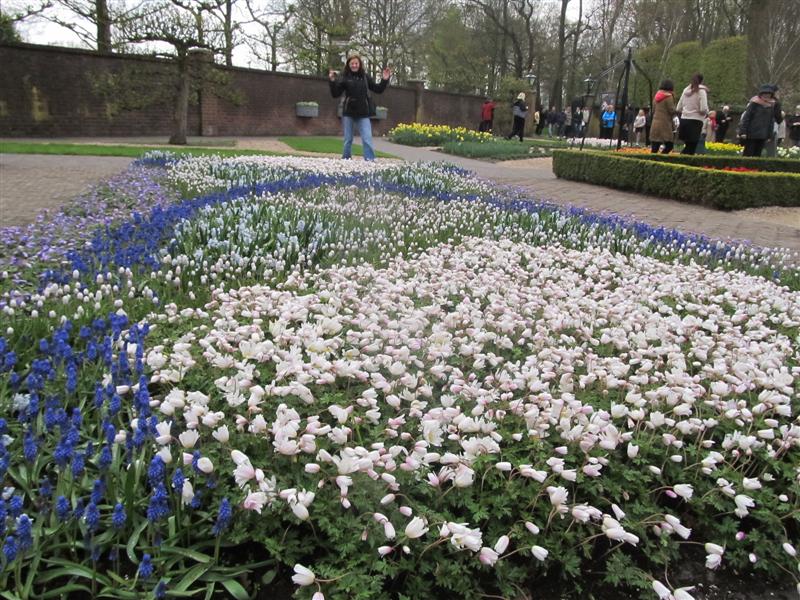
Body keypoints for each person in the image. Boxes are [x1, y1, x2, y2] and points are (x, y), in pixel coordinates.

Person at [329, 55, 390, 161]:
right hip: (348, 112)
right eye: (352, 63)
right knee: (348, 139)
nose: (354, 65)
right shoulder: (345, 77)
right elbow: (335, 94)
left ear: (360, 64)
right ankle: (346, 159)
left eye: (356, 63)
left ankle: (369, 160)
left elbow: (378, 89)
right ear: (348, 65)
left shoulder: (365, 77)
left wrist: (384, 80)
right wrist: (332, 81)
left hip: (363, 113)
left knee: (367, 138)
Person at [738, 84, 782, 157]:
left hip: (763, 134)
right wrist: (743, 132)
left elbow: (771, 121)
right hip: (751, 133)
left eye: (768, 94)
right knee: (748, 153)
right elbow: (746, 118)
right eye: (765, 93)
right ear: (761, 94)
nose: (766, 95)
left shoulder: (772, 105)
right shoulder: (754, 103)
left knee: (757, 154)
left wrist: (769, 135)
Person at [676, 73, 709, 154]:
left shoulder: (685, 90)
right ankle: (682, 160)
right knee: (692, 147)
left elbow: (678, 108)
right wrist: (706, 112)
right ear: (702, 81)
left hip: (684, 120)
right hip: (695, 121)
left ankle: (680, 159)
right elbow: (703, 108)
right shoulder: (701, 91)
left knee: (688, 145)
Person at [650, 80, 677, 154]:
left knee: (655, 146)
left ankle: (651, 160)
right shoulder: (669, 97)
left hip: (655, 123)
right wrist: (678, 111)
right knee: (669, 145)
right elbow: (671, 110)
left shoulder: (656, 96)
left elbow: (653, 110)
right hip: (665, 124)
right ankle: (661, 157)